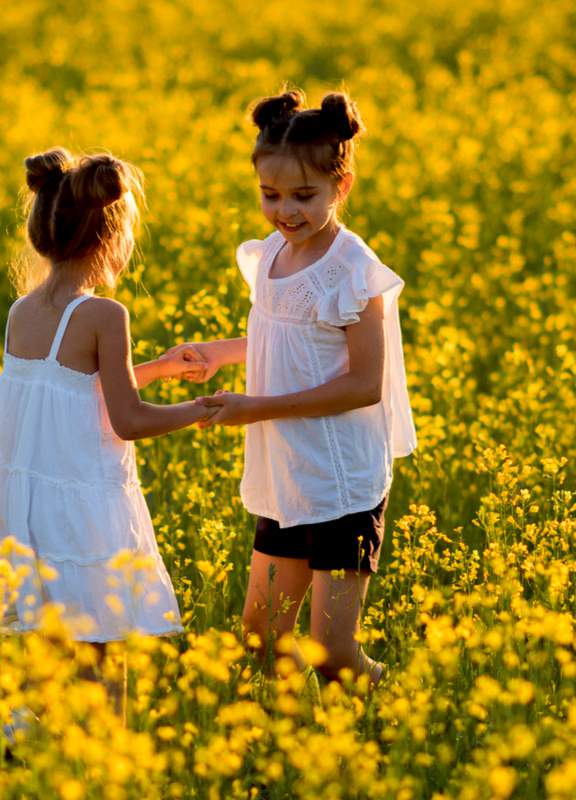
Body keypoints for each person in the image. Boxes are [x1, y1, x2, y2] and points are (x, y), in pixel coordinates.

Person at [177, 89, 417, 686]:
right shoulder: (275, 254)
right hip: (287, 472)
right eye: (270, 194)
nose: (285, 210)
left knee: (331, 656)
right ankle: (290, 755)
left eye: (303, 196)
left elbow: (363, 384)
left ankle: (393, 712)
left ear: (343, 186)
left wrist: (255, 408)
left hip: (340, 480)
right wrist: (221, 354)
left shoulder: (352, 269)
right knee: (261, 640)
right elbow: (287, 334)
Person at [0, 148, 211, 725]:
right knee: (104, 661)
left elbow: (68, 389)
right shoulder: (105, 315)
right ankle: (105, 766)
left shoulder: (22, 311)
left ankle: (21, 749)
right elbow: (128, 420)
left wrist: (158, 368)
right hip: (84, 514)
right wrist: (202, 408)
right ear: (112, 239)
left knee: (48, 659)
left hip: (29, 515)